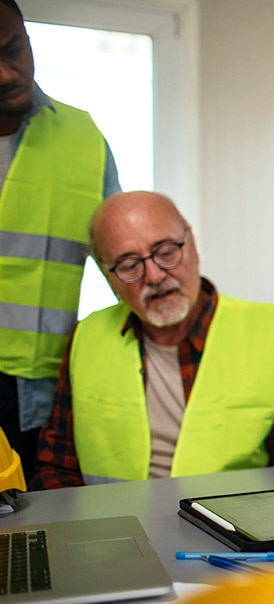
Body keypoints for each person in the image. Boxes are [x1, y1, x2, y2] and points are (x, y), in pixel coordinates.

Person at [32, 191, 274, 489]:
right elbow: (57, 464)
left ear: (193, 245)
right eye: (130, 265)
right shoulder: (86, 336)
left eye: (166, 251)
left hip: (234, 530)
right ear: (109, 277)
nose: (155, 276)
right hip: (108, 527)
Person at [0, 0, 121, 480]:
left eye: (14, 48)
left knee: (33, 529)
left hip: (40, 388)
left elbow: (123, 257)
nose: (7, 72)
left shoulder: (82, 135)